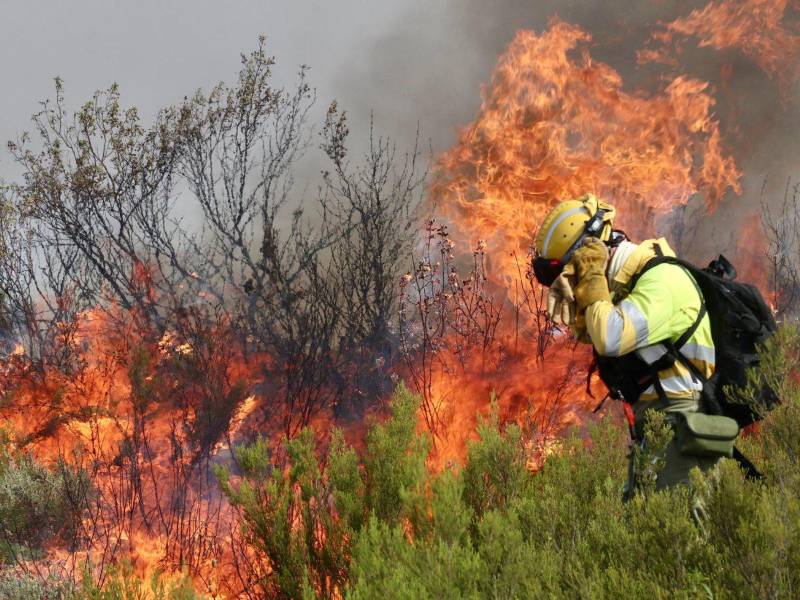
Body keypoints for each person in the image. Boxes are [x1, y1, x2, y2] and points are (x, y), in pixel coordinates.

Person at [532, 193, 728, 494]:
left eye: (568, 271)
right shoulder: (627, 289)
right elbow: (597, 334)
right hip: (655, 427)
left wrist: (593, 277)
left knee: (678, 532)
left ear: (591, 254)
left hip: (683, 423)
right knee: (641, 525)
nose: (568, 284)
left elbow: (610, 337)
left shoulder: (663, 279)